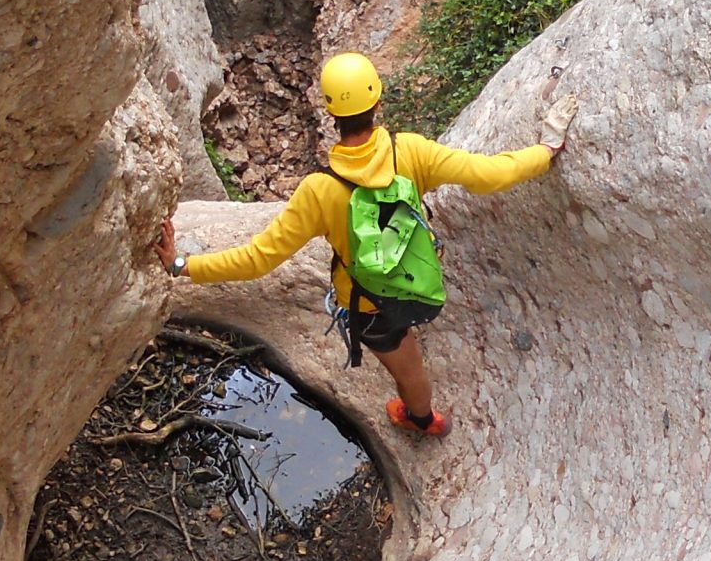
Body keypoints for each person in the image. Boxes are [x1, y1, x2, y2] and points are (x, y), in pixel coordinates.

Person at [159, 52, 569, 439]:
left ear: (331, 112)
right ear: (377, 101)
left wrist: (181, 265)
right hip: (416, 279)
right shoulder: (411, 152)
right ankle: (426, 420)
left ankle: (420, 418)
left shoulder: (319, 191)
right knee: (414, 371)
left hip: (367, 305)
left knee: (403, 366)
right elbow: (489, 174)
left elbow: (257, 260)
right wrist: (545, 150)